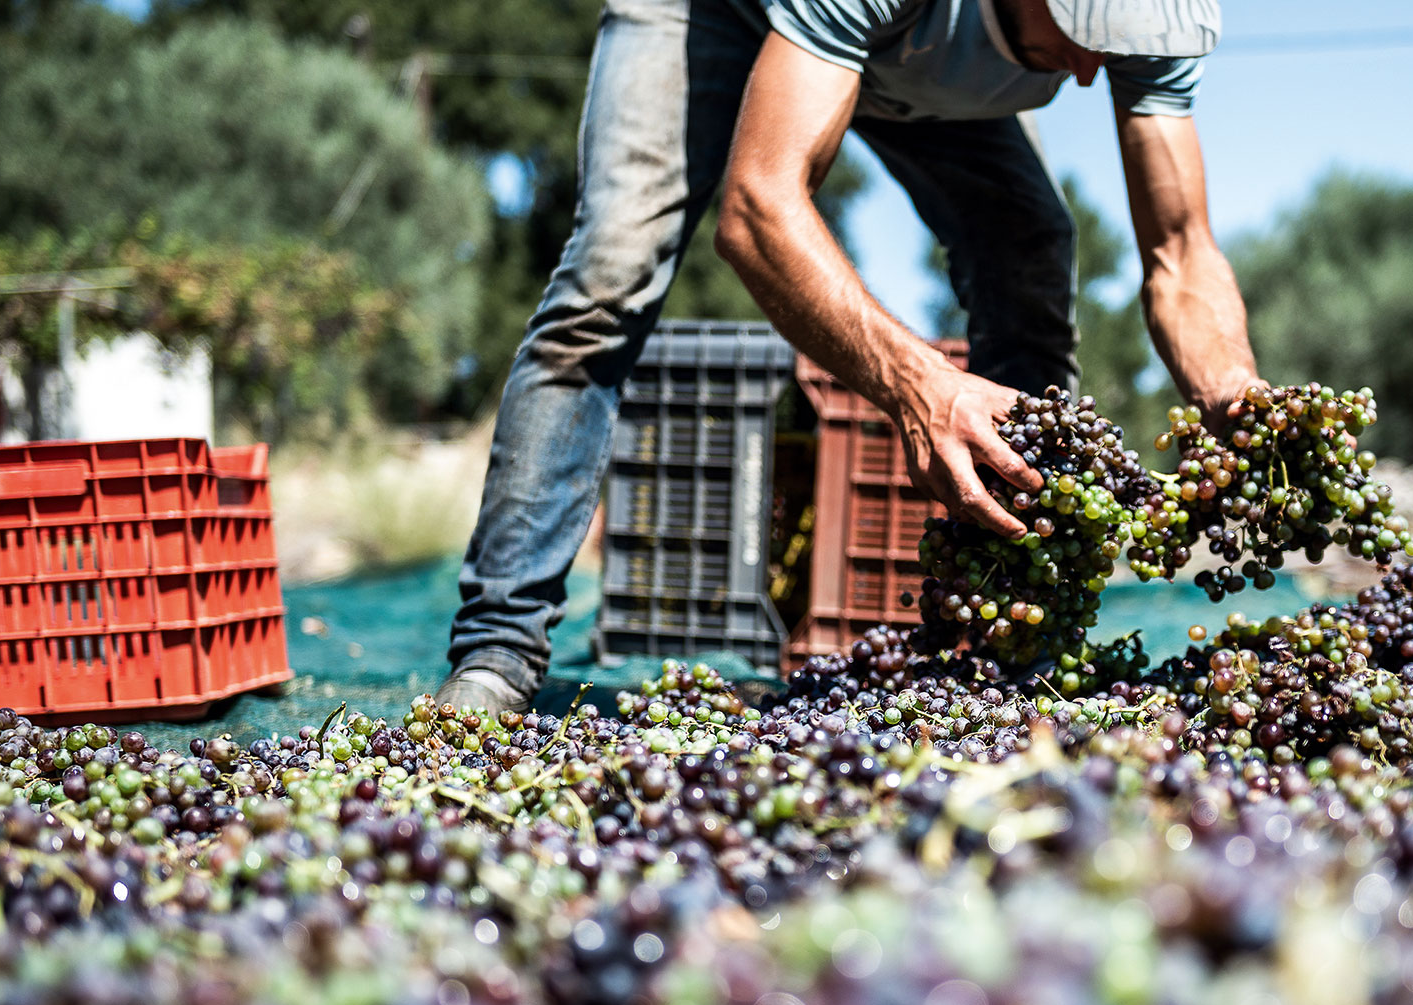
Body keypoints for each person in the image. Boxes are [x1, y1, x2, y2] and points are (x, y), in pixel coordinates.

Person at [439, 0, 1257, 713]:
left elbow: (1182, 253)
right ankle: (498, 651)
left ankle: (1016, 642)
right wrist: (919, 386)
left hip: (916, 59)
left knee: (1030, 258)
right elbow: (758, 210)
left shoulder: (1144, 30)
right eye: (1082, 31)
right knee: (609, 280)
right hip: (714, 14)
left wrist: (1233, 391)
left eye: (1114, 42)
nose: (1089, 71)